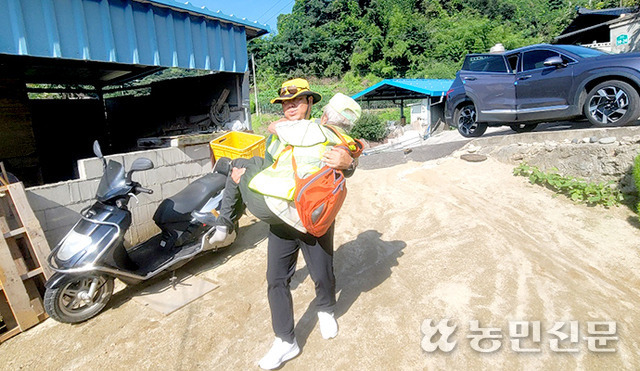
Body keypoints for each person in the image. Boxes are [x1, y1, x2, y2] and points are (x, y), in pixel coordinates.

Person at [196, 79, 361, 370]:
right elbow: (268, 164)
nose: (290, 107)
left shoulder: (323, 132)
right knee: (275, 279)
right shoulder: (277, 137)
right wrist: (242, 178)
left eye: (296, 101)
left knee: (321, 271)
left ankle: (325, 308)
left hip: (313, 216)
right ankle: (285, 340)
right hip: (280, 217)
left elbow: (349, 158)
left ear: (311, 103)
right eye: (285, 103)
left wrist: (348, 163)